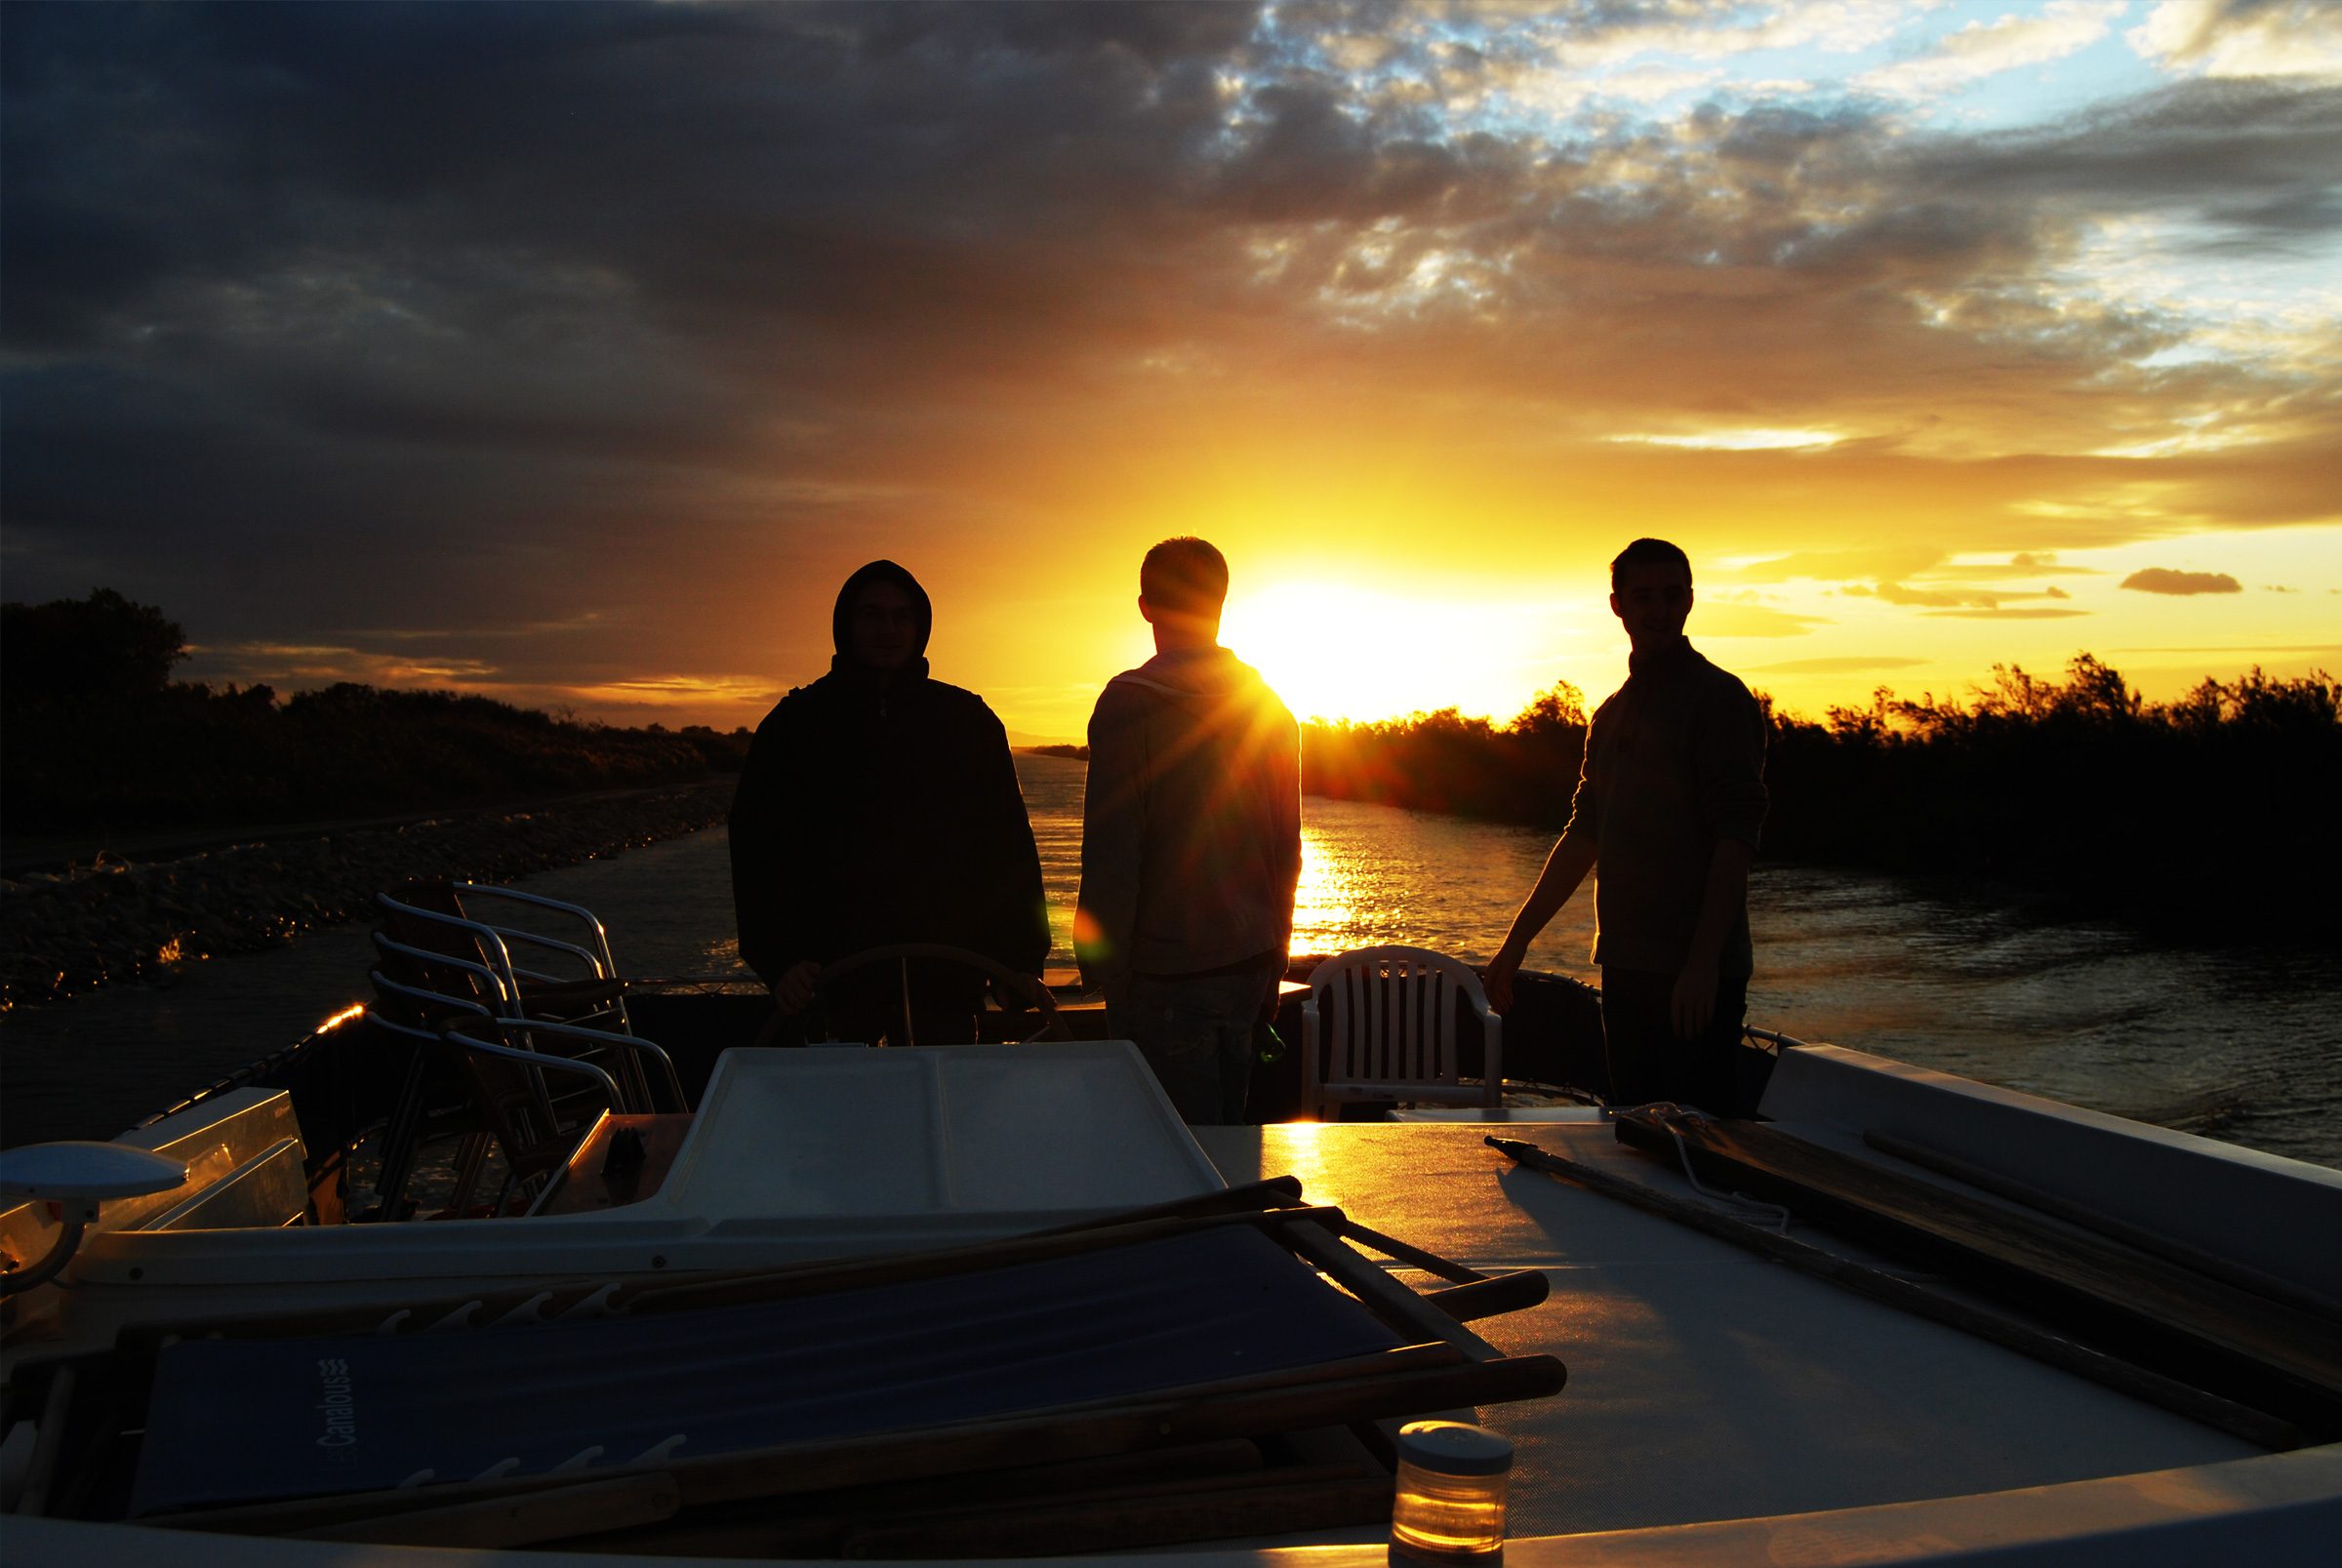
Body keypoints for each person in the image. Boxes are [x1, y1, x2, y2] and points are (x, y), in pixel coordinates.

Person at [1484, 538, 1768, 1114]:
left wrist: (1702, 965)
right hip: (1625, 967)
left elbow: (1735, 840)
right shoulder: (1611, 715)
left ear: (1690, 601)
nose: (1657, 610)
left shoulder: (1719, 701)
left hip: (1693, 979)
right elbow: (1582, 836)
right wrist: (1516, 942)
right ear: (1618, 606)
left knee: (1697, 1144)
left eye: (1670, 596)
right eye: (1643, 597)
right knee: (1636, 1132)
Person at [728, 559, 1049, 1045]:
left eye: (902, 617)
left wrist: (1018, 961)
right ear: (846, 624)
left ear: (921, 627)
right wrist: (779, 961)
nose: (888, 629)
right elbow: (757, 849)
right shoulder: (795, 725)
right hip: (829, 987)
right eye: (872, 615)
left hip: (948, 982)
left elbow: (1007, 850)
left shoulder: (969, 723)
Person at [1075, 538, 1301, 1123]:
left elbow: (1113, 853)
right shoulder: (1269, 708)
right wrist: (1274, 960)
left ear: (1147, 605)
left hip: (1163, 980)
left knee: (1170, 1155)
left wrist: (1103, 971)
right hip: (1249, 969)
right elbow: (1286, 852)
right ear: (1221, 603)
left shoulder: (1130, 707)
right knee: (1231, 1146)